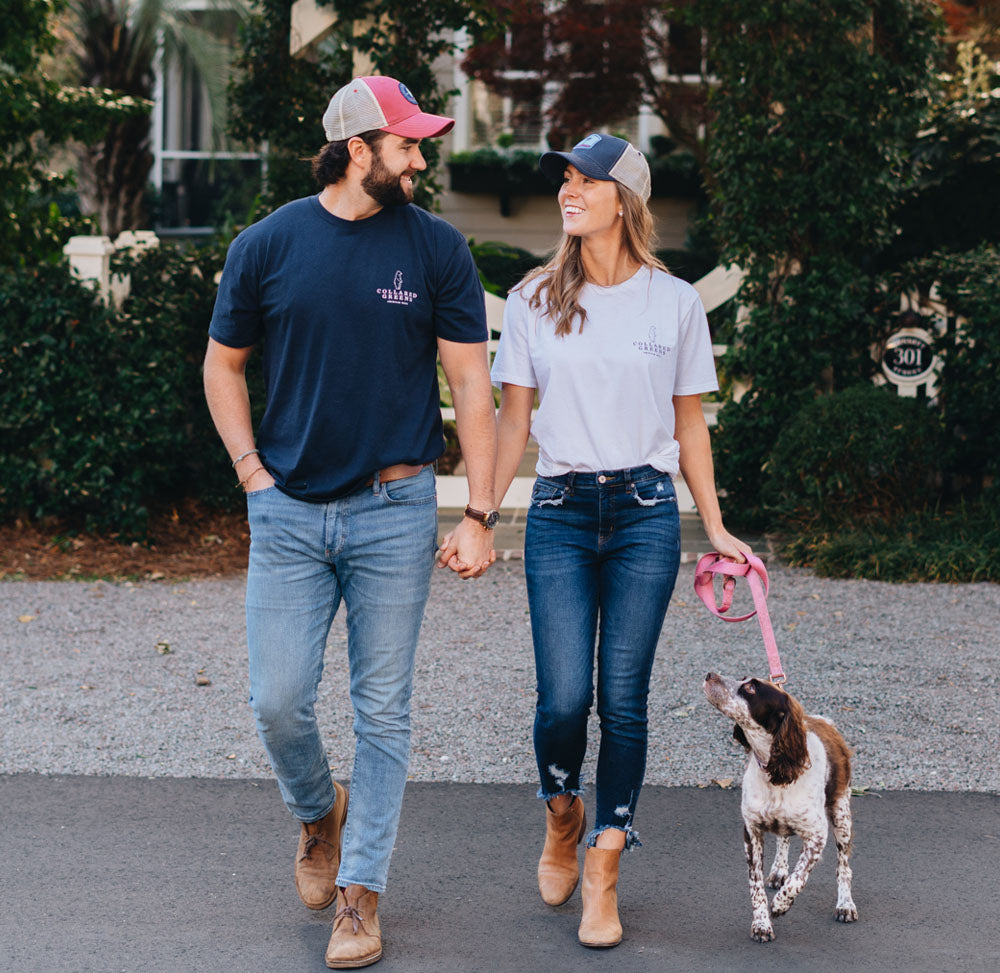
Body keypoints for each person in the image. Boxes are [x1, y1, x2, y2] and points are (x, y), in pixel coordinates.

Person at [203, 75, 499, 969]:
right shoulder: (267, 244)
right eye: (407, 145)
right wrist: (252, 474)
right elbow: (222, 366)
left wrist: (479, 510)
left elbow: (470, 381)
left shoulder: (437, 247)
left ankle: (360, 894)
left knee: (382, 712)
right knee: (277, 699)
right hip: (287, 512)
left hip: (394, 509)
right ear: (357, 149)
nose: (421, 161)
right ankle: (316, 812)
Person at [490, 133, 750, 948]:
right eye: (564, 180)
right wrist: (480, 513)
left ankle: (604, 863)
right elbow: (513, 420)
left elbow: (689, 424)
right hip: (560, 511)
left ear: (625, 200)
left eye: (586, 180)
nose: (568, 191)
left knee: (624, 701)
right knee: (564, 698)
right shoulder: (534, 298)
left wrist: (715, 525)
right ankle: (562, 809)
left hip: (644, 512)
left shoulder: (674, 303)